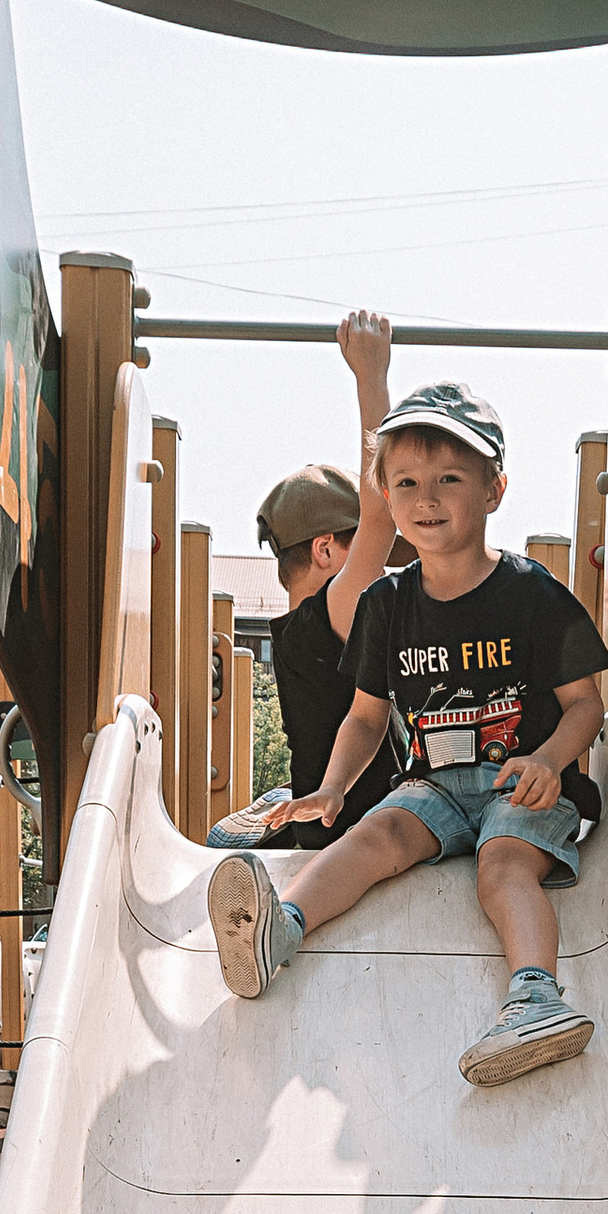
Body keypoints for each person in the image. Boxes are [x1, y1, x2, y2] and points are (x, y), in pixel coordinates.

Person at [204, 382, 608, 1087]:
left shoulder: (532, 593)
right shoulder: (385, 605)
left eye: (449, 479)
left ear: (494, 489)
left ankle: (536, 1000)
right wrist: (332, 787)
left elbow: (586, 704)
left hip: (520, 784)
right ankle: (281, 931)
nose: (427, 498)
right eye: (407, 483)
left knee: (502, 866)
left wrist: (549, 760)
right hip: (434, 788)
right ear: (386, 500)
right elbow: (365, 717)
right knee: (374, 835)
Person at [209, 310, 404, 852]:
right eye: (360, 552)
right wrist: (372, 376)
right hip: (353, 830)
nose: (380, 570)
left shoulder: (298, 634)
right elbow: (382, 514)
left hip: (324, 819)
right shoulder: (331, 615)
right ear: (325, 551)